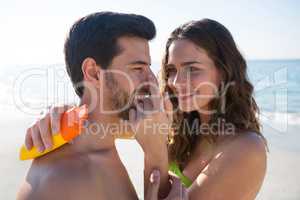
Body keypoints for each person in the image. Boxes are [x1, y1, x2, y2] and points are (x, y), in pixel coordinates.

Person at [22, 18, 268, 199]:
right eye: (171, 70)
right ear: (94, 72)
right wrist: (61, 115)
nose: (173, 82)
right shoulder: (175, 123)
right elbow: (101, 123)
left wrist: (155, 154)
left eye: (193, 69)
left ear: (224, 71)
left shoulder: (246, 149)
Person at [17, 12, 173, 200]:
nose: (152, 80)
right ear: (94, 73)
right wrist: (155, 154)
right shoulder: (66, 179)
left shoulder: (103, 142)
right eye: (138, 69)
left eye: (149, 68)